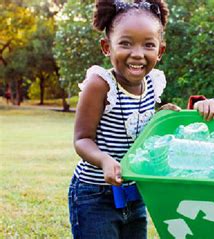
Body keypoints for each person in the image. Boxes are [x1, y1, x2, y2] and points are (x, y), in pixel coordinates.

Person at [68, 0, 176, 238]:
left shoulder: (152, 84)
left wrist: (161, 118)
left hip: (134, 194)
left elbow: (137, 130)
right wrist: (105, 160)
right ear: (107, 47)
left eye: (148, 45)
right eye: (125, 43)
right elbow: (81, 139)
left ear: (160, 51)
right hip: (95, 195)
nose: (137, 54)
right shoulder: (100, 85)